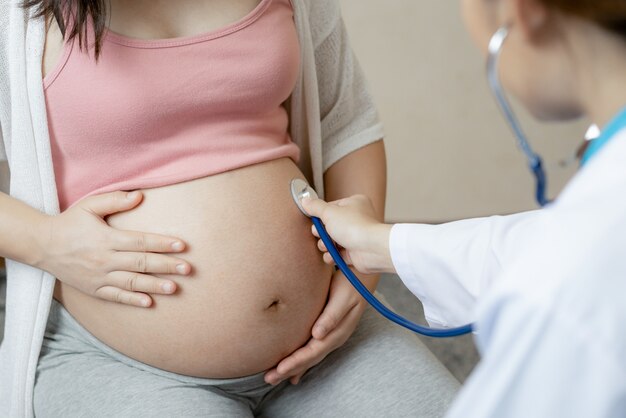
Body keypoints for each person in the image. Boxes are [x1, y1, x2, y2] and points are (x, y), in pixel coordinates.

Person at [0, 0, 460, 416]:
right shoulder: (17, 16)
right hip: (124, 366)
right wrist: (46, 243)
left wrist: (362, 275)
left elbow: (346, 122)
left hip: (328, 343)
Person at [302, 0, 626, 416]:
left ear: (522, 12)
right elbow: (538, 249)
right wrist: (384, 244)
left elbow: (570, 272)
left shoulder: (568, 300)